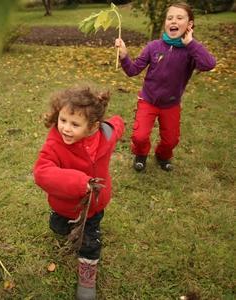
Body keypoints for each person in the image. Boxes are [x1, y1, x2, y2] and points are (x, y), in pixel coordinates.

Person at [33, 85, 124, 300]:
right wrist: (79, 182)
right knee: (60, 227)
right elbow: (41, 172)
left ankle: (87, 276)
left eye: (75, 124)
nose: (65, 128)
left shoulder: (106, 135)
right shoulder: (55, 143)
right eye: (63, 120)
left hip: (95, 206)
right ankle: (61, 224)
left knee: (89, 243)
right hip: (64, 204)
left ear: (93, 126)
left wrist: (120, 123)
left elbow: (116, 126)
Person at [115, 2, 216, 172]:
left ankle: (162, 155)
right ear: (165, 23)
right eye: (169, 18)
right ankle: (141, 154)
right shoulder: (153, 47)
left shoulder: (191, 51)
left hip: (171, 104)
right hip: (148, 100)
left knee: (171, 141)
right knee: (139, 137)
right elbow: (133, 71)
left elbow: (209, 64)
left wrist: (191, 44)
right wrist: (124, 56)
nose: (173, 21)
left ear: (189, 25)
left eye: (179, 18)